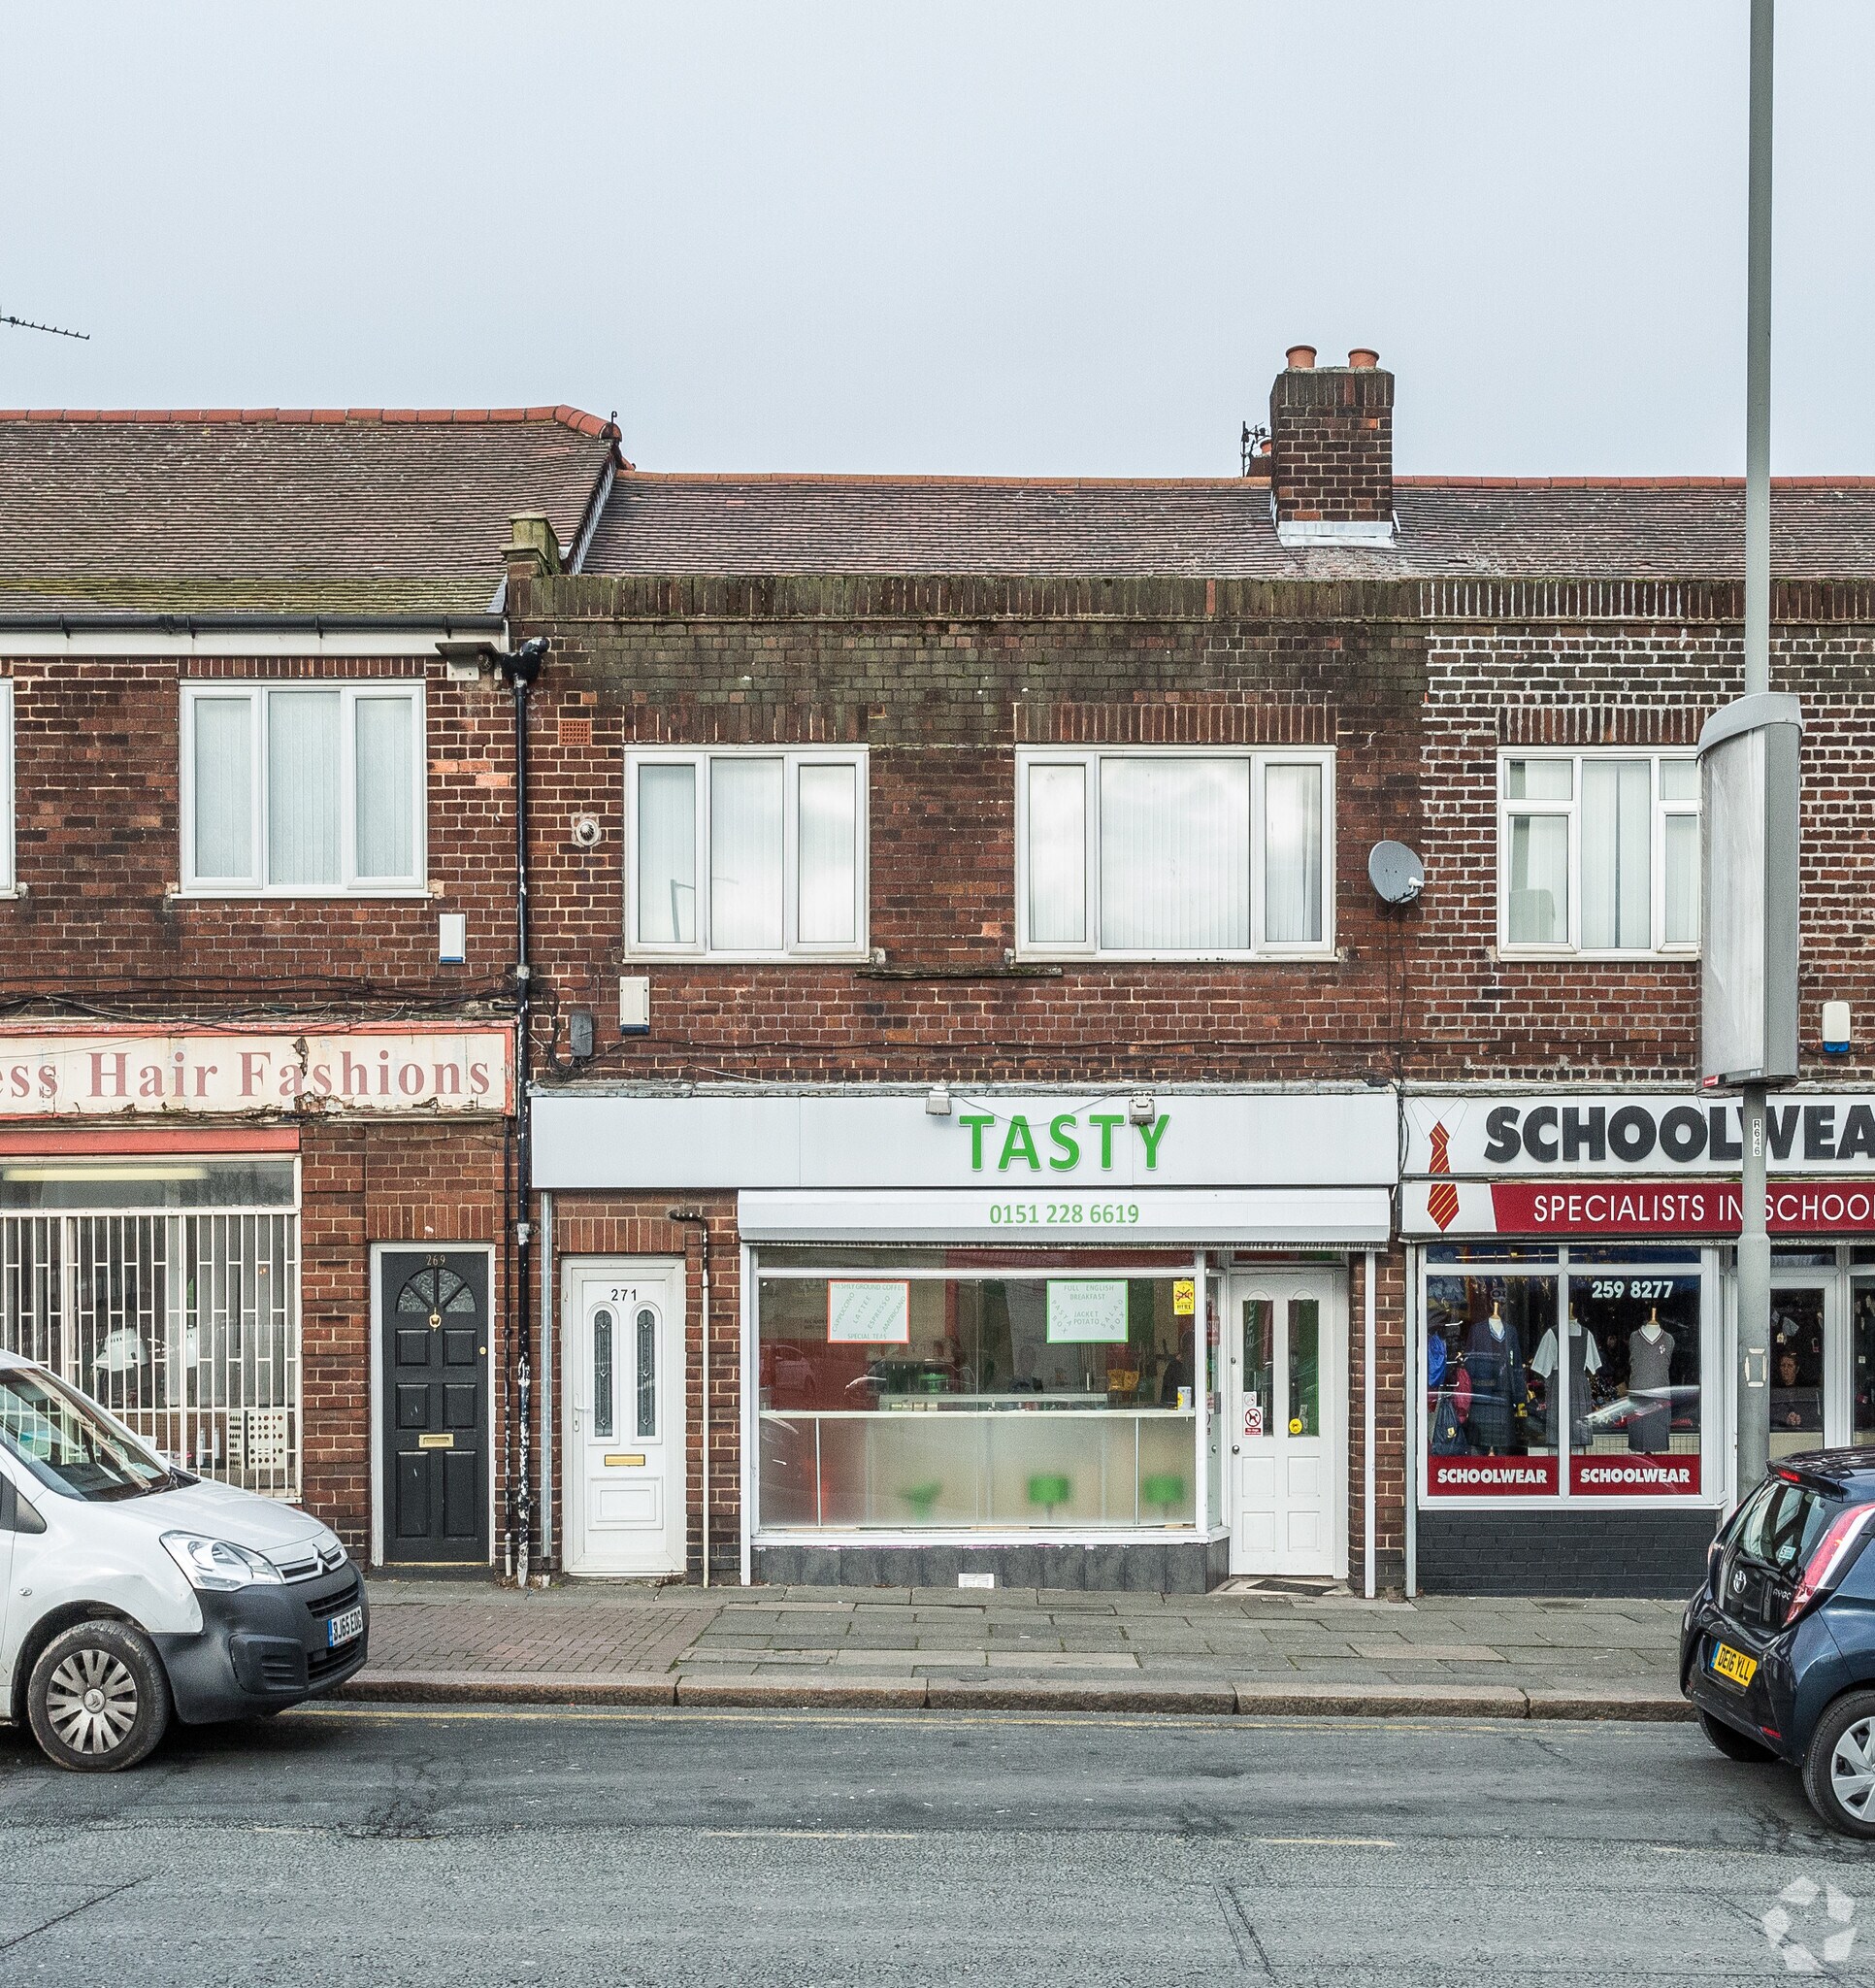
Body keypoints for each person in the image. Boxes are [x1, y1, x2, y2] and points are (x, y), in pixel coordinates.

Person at [1774, 1349, 1822, 1432]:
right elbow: (1771, 1413)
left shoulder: (1806, 1391)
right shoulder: (1774, 1390)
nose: (1786, 1369)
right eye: (1783, 1365)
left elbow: (1814, 1416)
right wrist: (1785, 1418)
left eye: (1790, 1366)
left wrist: (1800, 1418)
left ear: (1797, 1369)